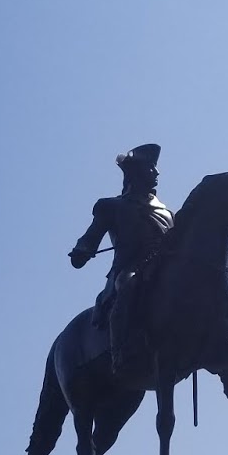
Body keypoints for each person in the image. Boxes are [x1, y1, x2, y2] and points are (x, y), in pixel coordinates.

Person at [69, 144, 174, 382]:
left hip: (162, 270)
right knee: (128, 285)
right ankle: (120, 353)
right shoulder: (112, 206)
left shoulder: (168, 213)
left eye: (156, 169)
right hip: (131, 269)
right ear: (134, 174)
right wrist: (83, 250)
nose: (156, 174)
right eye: (150, 168)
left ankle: (225, 366)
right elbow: (92, 236)